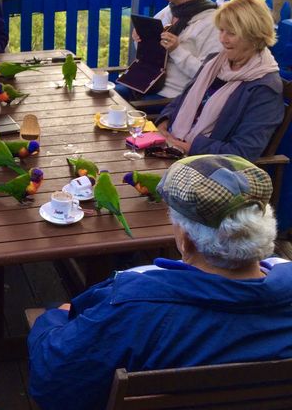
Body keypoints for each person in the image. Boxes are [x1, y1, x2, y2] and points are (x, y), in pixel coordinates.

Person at [28, 154, 292, 410]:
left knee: (56, 311)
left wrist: (50, 320)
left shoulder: (135, 305)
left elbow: (54, 383)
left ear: (186, 241)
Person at [155, 0, 283, 160]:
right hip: (173, 148)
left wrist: (189, 147)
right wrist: (163, 123)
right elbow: (183, 99)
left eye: (231, 33)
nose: (223, 39)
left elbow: (244, 151)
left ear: (254, 36)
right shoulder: (215, 62)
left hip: (207, 166)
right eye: (221, 31)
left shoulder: (264, 88)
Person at [117, 0, 219, 100]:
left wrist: (176, 50)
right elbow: (149, 54)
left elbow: (208, 75)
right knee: (104, 96)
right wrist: (140, 39)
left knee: (113, 109)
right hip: (143, 83)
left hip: (172, 98)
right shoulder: (170, 10)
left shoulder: (211, 24)